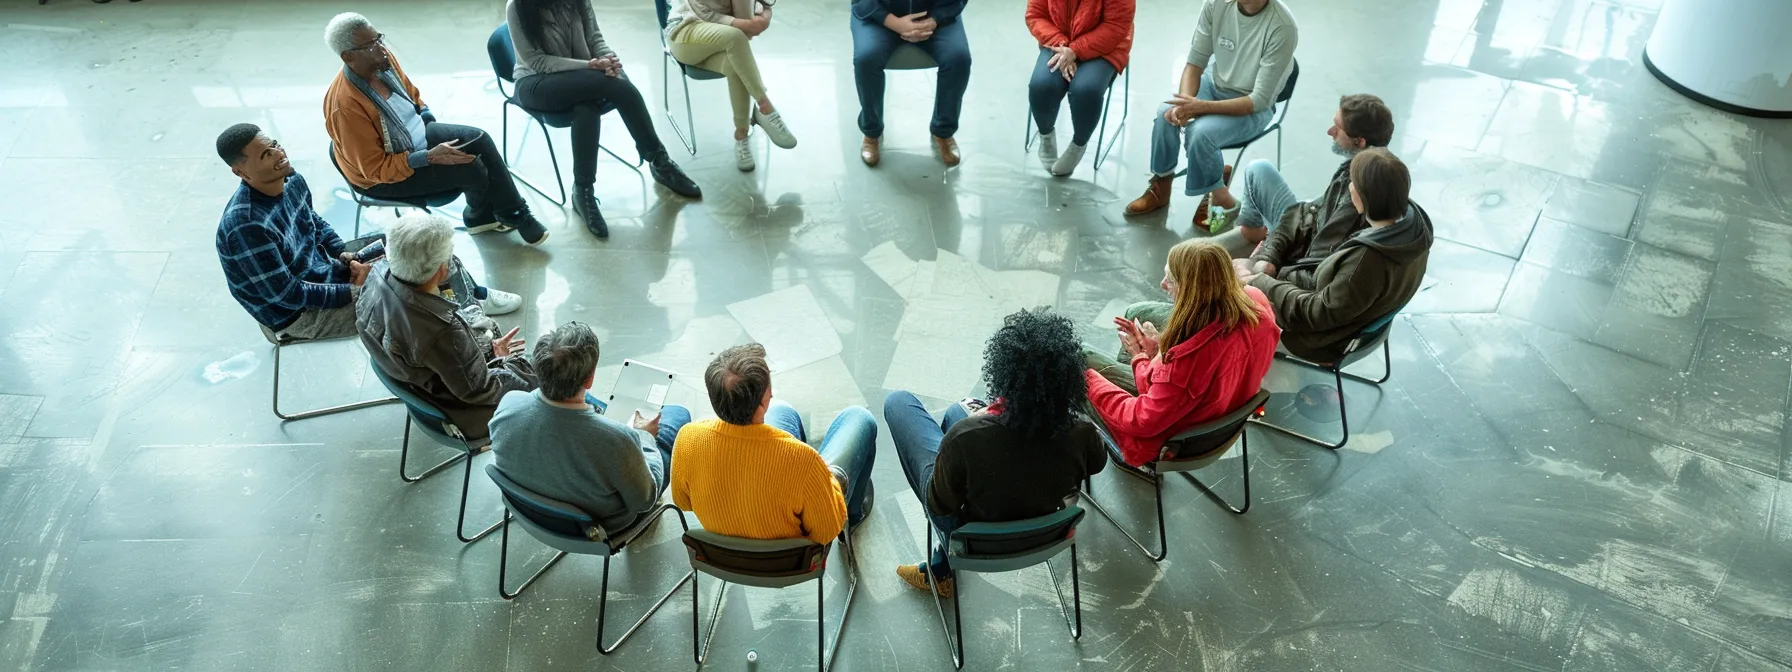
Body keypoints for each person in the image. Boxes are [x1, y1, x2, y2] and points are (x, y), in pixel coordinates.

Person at [213, 123, 520, 345]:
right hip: (301, 313)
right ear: (240, 171)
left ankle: (470, 300)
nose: (279, 154)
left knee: (420, 238)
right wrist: (359, 288)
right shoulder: (246, 226)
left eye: (275, 145)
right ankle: (477, 346)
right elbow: (287, 295)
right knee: (412, 295)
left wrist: (343, 256)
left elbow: (314, 223)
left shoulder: (291, 180)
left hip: (328, 271)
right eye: (265, 155)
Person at [885, 309, 1105, 597]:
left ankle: (941, 571)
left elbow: (939, 506)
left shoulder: (965, 437)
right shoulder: (1082, 431)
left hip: (974, 541)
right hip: (1045, 535)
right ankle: (940, 565)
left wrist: (972, 432)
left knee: (898, 402)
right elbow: (1096, 465)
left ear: (1004, 374)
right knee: (955, 412)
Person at [323, 12, 550, 246]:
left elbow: (411, 94)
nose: (381, 48)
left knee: (480, 139)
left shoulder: (382, 60)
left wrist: (429, 121)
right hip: (385, 175)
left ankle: (513, 212)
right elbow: (375, 170)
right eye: (371, 45)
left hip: (416, 134)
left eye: (379, 38)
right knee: (471, 167)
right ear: (349, 57)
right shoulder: (345, 107)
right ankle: (479, 217)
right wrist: (429, 157)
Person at [507, 0, 702, 240]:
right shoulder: (517, 7)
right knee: (620, 87)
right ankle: (659, 161)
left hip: (584, 77)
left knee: (587, 108)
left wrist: (609, 60)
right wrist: (590, 66)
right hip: (536, 83)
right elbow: (538, 62)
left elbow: (595, 38)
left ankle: (582, 191)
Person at [1083, 240, 1279, 468]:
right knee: (1138, 312)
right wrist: (1158, 352)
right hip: (1220, 398)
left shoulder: (1186, 365)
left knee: (1079, 358)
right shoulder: (1256, 300)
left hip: (1173, 436)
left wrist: (1139, 359)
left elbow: (1142, 419)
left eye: (1171, 279)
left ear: (1192, 292)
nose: (1162, 284)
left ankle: (1126, 456)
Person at [489, 322, 690, 533]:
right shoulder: (620, 439)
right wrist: (644, 437)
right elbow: (643, 502)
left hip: (530, 510)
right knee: (677, 414)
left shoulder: (509, 402)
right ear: (590, 378)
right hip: (597, 527)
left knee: (596, 406)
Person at [670, 344, 878, 546]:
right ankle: (854, 512)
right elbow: (825, 531)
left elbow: (683, 502)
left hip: (722, 551)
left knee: (782, 410)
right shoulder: (804, 459)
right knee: (861, 418)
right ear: (762, 402)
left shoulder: (687, 437)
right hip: (789, 559)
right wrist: (826, 479)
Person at [1240, 148, 1432, 364]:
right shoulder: (1413, 226)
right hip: (1349, 320)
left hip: (1320, 341)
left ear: (1361, 197)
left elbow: (1315, 314)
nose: (1349, 186)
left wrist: (1260, 283)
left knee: (1222, 293)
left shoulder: (1367, 263)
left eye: (1353, 183)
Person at [358, 214, 539, 442]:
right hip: (462, 410)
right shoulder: (443, 330)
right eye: (447, 260)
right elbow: (480, 390)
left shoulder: (375, 274)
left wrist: (482, 353)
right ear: (440, 272)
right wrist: (502, 363)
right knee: (549, 366)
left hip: (418, 378)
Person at [1123, 0, 1297, 232]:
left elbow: (1258, 100)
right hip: (1214, 84)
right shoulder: (1217, 4)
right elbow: (1195, 63)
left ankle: (1224, 201)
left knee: (1200, 134)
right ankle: (1162, 185)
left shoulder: (1283, 26)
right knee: (1166, 113)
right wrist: (1185, 103)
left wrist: (1199, 107)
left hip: (1252, 107)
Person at [1220, 94, 1394, 245]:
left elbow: (1323, 239)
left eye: (1338, 128)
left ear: (1360, 141)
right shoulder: (1380, 167)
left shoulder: (1356, 185)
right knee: (1259, 170)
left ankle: (1250, 231)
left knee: (1256, 169)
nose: (1330, 131)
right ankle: (1250, 229)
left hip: (1300, 240)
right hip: (1310, 224)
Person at [663, 0, 799, 172]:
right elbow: (705, 14)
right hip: (684, 30)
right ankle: (765, 107)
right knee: (735, 37)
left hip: (718, 38)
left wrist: (763, 18)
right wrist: (749, 23)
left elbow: (763, 5)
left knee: (735, 64)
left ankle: (741, 135)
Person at [849, 0, 972, 167]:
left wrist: (934, 19)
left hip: (934, 15)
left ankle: (943, 131)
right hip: (879, 18)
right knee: (866, 58)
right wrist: (895, 23)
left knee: (958, 59)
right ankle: (872, 131)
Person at [1025, 0, 1133, 176]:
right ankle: (1046, 137)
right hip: (1058, 41)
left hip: (1105, 46)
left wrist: (1075, 50)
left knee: (1085, 90)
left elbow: (1116, 26)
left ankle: (1078, 144)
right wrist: (1064, 46)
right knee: (1042, 86)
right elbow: (1035, 14)